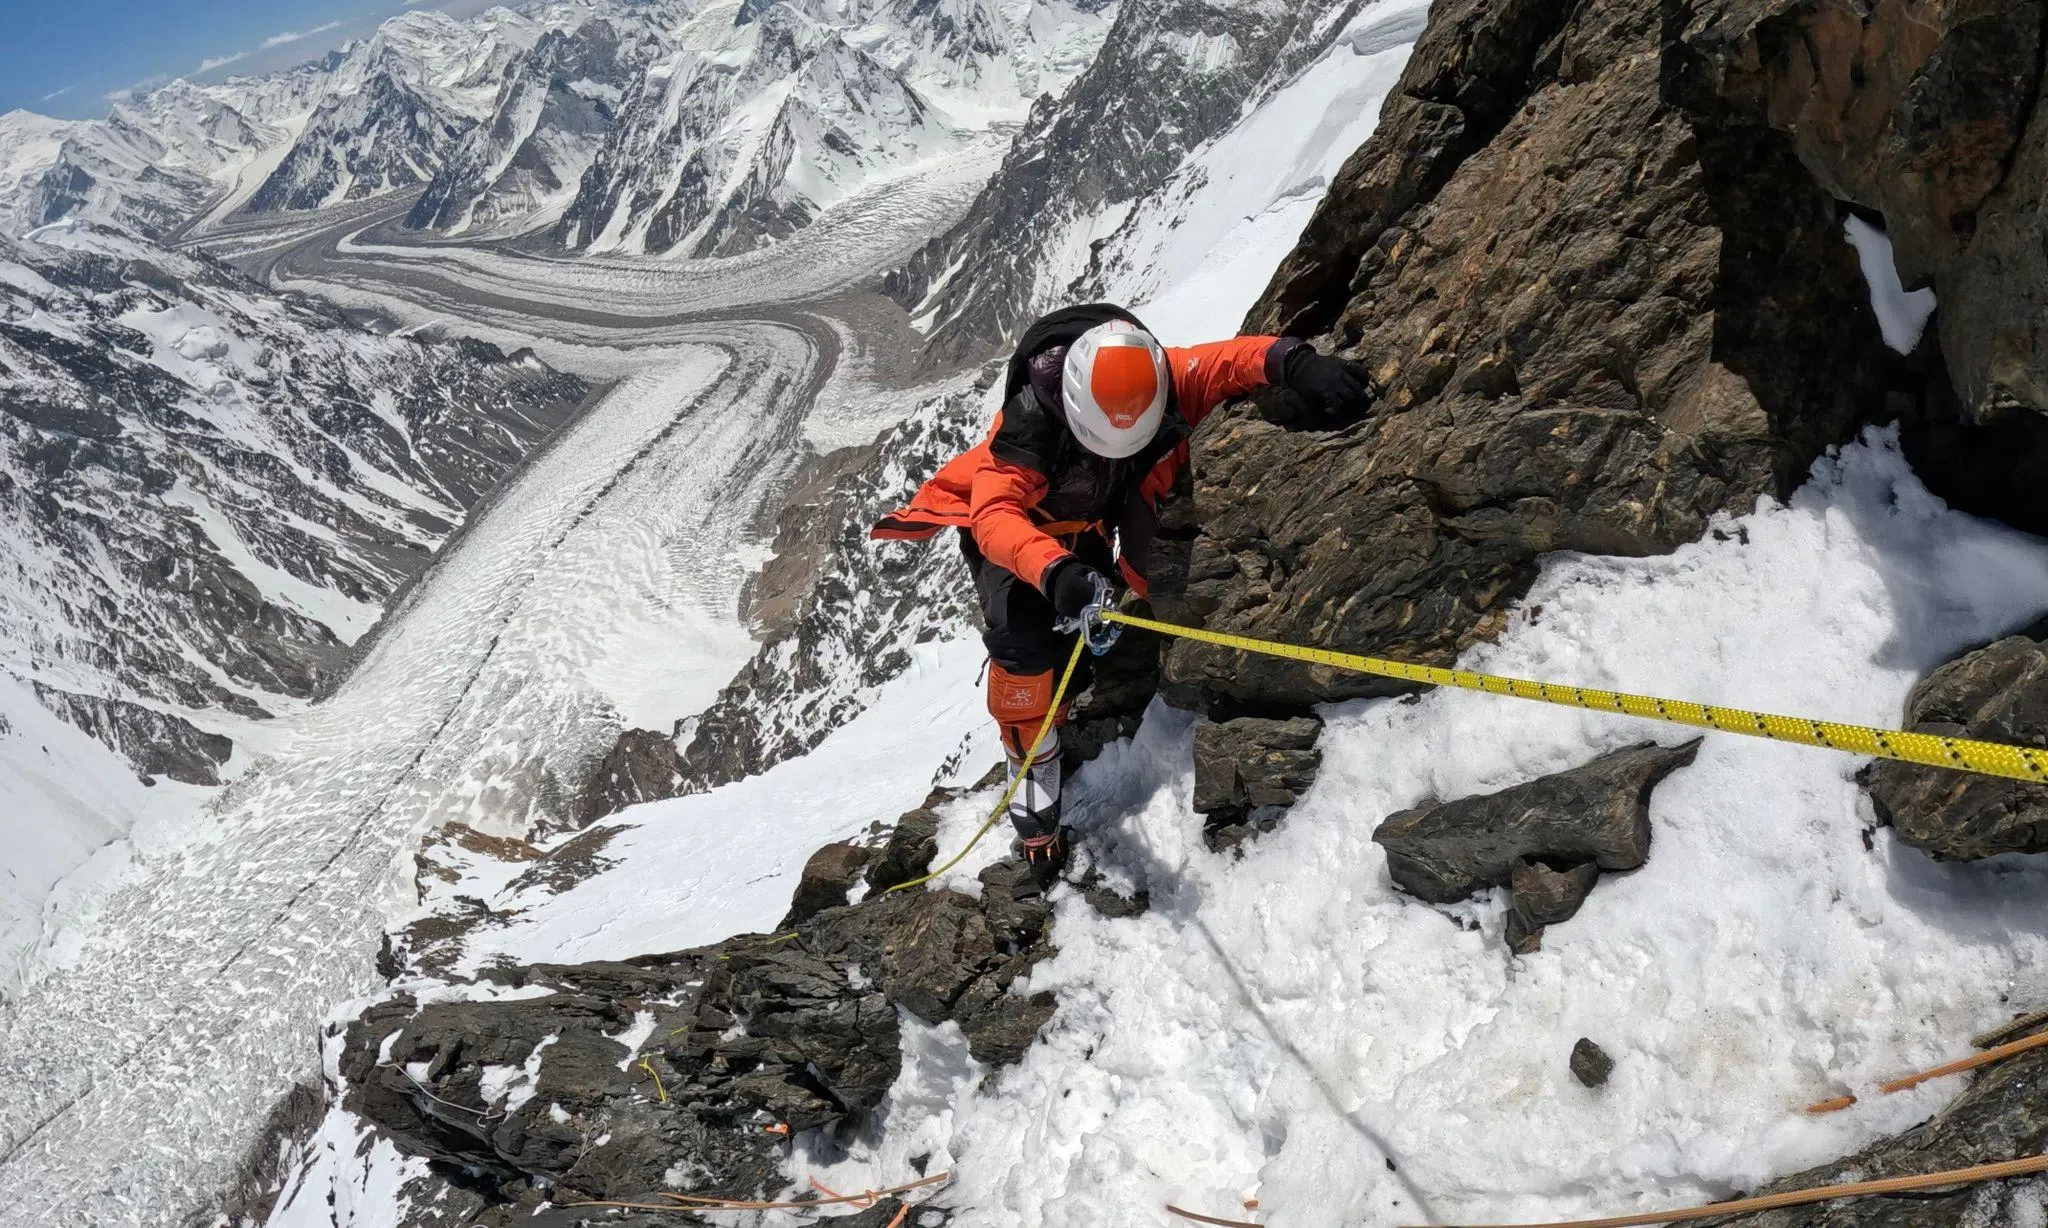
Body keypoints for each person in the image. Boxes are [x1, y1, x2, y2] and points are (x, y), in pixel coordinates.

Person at [872, 304, 1373, 882]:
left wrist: (1296, 363)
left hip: (1088, 525)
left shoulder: (1151, 378)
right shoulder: (1031, 420)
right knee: (1024, 643)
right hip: (1024, 537)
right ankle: (1030, 753)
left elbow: (1223, 364)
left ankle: (1077, 678)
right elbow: (994, 517)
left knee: (1104, 610)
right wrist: (1056, 573)